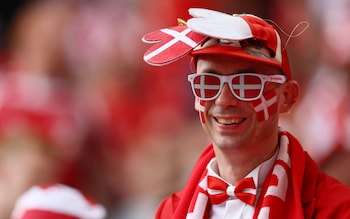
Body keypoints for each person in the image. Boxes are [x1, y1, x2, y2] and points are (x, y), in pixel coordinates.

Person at [142, 8, 350, 219]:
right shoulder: (170, 211)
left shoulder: (336, 209)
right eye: (208, 83)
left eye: (247, 84)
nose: (224, 100)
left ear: (287, 96)